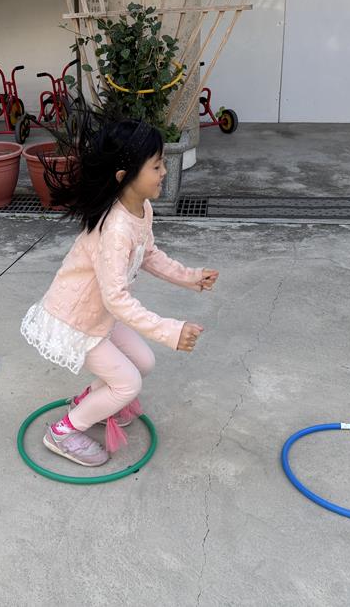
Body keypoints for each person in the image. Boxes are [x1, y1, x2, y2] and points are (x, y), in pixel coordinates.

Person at [21, 112, 217, 466]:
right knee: (127, 383)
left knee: (144, 362)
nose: (165, 172)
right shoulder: (115, 230)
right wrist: (171, 330)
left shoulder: (141, 208)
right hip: (78, 320)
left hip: (101, 315)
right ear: (124, 177)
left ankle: (90, 402)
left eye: (162, 164)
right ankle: (63, 431)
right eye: (156, 166)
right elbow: (117, 298)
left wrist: (190, 277)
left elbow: (148, 254)